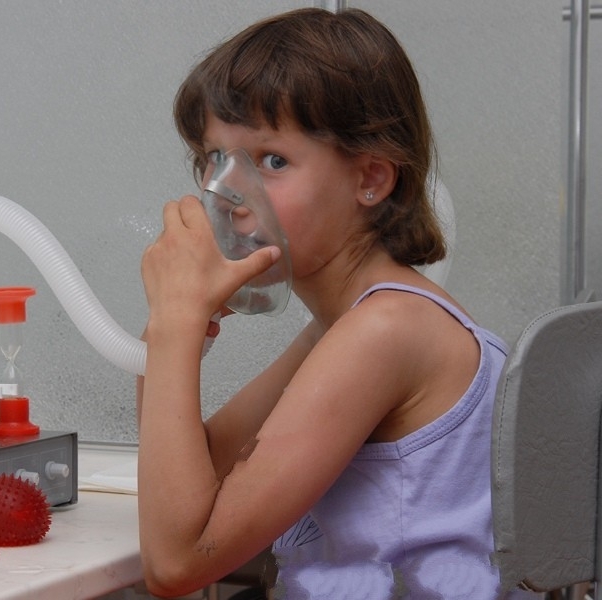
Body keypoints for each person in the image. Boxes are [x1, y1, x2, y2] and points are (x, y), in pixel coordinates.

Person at [137, 8, 534, 599]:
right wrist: (170, 326)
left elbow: (176, 562)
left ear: (370, 178)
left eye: (271, 160)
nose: (228, 195)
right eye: (214, 159)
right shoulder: (341, 327)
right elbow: (198, 476)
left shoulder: (384, 331)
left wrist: (177, 321)